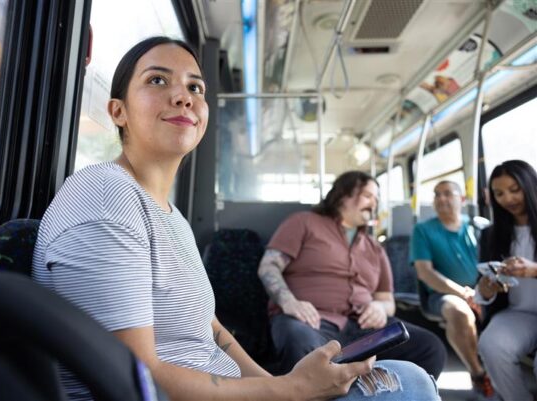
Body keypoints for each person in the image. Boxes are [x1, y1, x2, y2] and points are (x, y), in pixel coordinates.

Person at [32, 37, 440, 401]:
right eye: (157, 80)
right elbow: (131, 378)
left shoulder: (171, 218)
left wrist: (283, 387)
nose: (183, 97)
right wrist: (289, 391)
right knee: (412, 385)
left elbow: (210, 329)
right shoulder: (106, 196)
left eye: (195, 87)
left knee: (412, 373)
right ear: (118, 111)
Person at [258, 171, 446, 379]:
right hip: (311, 322)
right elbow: (268, 266)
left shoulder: (375, 248)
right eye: (367, 196)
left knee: (430, 347)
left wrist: (379, 307)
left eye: (376, 199)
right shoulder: (303, 222)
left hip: (363, 328)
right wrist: (289, 302)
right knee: (299, 342)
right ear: (343, 195)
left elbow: (387, 300)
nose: (373, 204)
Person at [410, 180, 493, 397]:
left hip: (483, 290)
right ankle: (478, 373)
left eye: (447, 193)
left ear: (462, 199)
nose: (441, 198)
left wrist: (481, 292)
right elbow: (425, 272)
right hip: (442, 295)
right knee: (459, 311)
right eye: (437, 194)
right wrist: (463, 294)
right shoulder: (423, 230)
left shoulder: (478, 228)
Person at [476, 160, 537, 401]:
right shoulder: (491, 234)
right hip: (518, 313)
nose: (508, 199)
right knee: (491, 344)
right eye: (499, 193)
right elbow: (482, 288)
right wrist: (486, 288)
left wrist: (533, 271)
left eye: (514, 190)